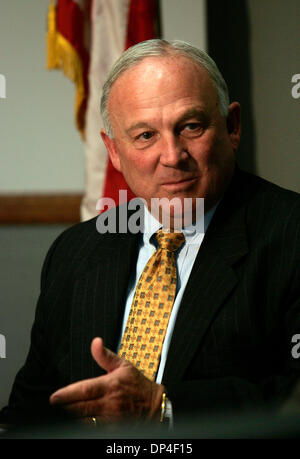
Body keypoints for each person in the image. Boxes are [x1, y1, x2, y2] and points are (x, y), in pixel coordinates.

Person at [1, 39, 300, 430]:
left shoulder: (290, 235)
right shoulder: (75, 251)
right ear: (113, 151)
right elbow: (31, 412)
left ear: (232, 127)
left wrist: (164, 408)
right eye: (145, 135)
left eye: (191, 126)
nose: (172, 155)